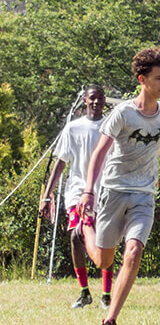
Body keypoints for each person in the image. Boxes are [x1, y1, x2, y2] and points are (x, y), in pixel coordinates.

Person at [77, 48, 160, 325]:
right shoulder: (123, 113)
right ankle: (84, 228)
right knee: (104, 259)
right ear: (142, 79)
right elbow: (99, 153)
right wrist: (88, 191)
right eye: (159, 78)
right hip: (113, 190)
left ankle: (110, 319)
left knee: (134, 251)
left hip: (144, 194)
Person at [40, 85, 114, 309]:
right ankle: (84, 292)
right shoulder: (73, 128)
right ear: (85, 100)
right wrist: (47, 195)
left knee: (105, 241)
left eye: (100, 98)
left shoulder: (112, 126)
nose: (96, 102)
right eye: (92, 98)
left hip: (105, 191)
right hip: (78, 192)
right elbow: (61, 162)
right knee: (75, 235)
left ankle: (106, 294)